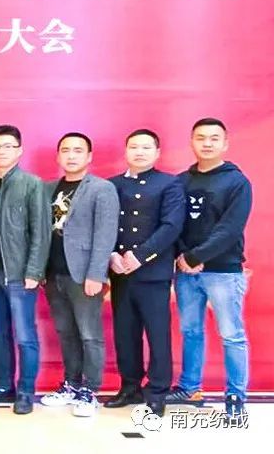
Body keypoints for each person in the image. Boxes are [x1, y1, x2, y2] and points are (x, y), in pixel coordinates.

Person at [166, 118, 252, 422]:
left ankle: (236, 394)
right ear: (191, 141)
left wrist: (197, 255)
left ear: (225, 143)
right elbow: (173, 224)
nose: (207, 143)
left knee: (231, 334)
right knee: (190, 331)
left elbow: (230, 228)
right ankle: (190, 388)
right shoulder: (180, 181)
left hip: (224, 272)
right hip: (186, 271)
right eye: (200, 137)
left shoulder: (237, 182)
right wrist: (185, 256)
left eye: (214, 138)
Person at [104, 129, 185, 417]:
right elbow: (104, 225)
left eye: (146, 147)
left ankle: (158, 391)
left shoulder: (170, 184)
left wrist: (140, 256)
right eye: (134, 147)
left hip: (152, 272)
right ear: (125, 151)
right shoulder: (112, 185)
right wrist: (111, 254)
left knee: (157, 334)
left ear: (157, 152)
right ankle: (129, 387)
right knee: (125, 333)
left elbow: (171, 226)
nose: (139, 152)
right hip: (120, 272)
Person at [40, 132, 119, 418]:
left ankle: (90, 389)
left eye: (78, 150)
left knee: (89, 334)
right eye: (66, 150)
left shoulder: (102, 188)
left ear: (89, 156)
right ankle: (71, 384)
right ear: (58, 156)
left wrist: (97, 274)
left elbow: (105, 234)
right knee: (66, 332)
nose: (71, 155)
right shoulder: (48, 188)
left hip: (84, 274)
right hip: (53, 274)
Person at [0, 125, 50, 415]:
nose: (1, 151)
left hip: (19, 274)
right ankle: (4, 386)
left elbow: (41, 231)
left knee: (25, 335)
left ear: (19, 150)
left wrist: (34, 271)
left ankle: (26, 391)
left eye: (7, 146)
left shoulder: (32, 184)